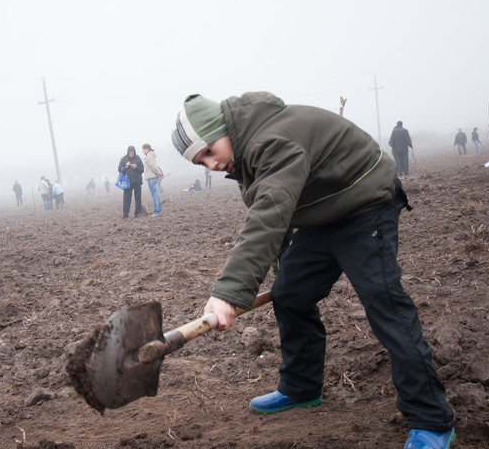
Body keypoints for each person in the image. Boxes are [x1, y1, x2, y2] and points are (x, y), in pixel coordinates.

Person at [171, 92, 455, 448]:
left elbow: (269, 213)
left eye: (210, 151)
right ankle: (301, 387)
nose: (211, 165)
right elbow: (278, 213)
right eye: (201, 162)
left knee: (384, 301)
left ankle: (431, 419)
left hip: (365, 202)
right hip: (324, 214)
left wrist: (229, 292)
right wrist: (282, 268)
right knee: (289, 293)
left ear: (225, 129)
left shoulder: (271, 140)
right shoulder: (245, 154)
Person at [117, 146, 144, 219]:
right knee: (126, 200)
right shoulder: (123, 159)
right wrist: (125, 167)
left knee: (138, 199)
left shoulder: (138, 158)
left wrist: (136, 167)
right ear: (128, 153)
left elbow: (142, 170)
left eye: (133, 153)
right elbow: (119, 169)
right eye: (130, 153)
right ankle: (125, 215)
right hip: (127, 183)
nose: (131, 155)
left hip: (137, 182)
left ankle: (137, 213)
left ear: (134, 152)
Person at [142, 143, 163, 217]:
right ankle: (158, 210)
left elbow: (153, 166)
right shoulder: (150, 155)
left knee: (154, 195)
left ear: (148, 149)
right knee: (156, 194)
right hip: (152, 177)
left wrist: (158, 173)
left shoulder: (149, 156)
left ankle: (156, 211)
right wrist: (158, 174)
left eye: (145, 149)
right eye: (143, 149)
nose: (143, 150)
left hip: (151, 178)